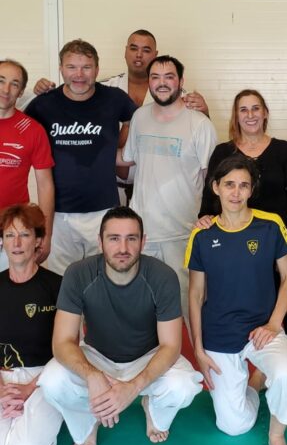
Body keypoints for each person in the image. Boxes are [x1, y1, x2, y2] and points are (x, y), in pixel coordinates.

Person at [38, 207, 203, 445]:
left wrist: (134, 387)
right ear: (100, 242)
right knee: (52, 381)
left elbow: (171, 346)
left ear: (143, 242)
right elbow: (62, 342)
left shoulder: (163, 276)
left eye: (131, 238)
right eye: (114, 238)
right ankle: (88, 418)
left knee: (183, 386)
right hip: (97, 356)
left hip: (147, 356)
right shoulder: (78, 273)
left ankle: (153, 409)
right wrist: (92, 376)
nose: (123, 248)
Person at [186, 155, 287, 445]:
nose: (236, 193)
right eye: (229, 185)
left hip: (262, 328)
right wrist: (198, 349)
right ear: (216, 187)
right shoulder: (202, 234)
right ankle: (254, 384)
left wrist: (274, 324)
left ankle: (277, 437)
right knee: (234, 426)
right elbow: (195, 294)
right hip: (220, 334)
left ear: (251, 190)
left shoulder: (270, 224)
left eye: (243, 185)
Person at [198, 89, 287, 403]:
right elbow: (209, 199)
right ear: (236, 116)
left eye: (255, 109)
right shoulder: (223, 151)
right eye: (243, 109)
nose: (250, 115)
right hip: (235, 247)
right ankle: (249, 364)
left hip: (280, 243)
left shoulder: (283, 150)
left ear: (265, 113)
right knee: (243, 301)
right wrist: (204, 219)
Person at [33, 30, 210, 206]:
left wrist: (204, 112)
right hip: (111, 186)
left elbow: (199, 137)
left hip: (159, 189)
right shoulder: (105, 88)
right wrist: (42, 92)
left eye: (146, 50)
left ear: (155, 54)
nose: (139, 54)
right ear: (125, 51)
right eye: (133, 48)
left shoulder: (177, 96)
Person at [119, 55, 217, 331]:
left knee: (192, 310)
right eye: (155, 77)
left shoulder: (200, 124)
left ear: (181, 81)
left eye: (169, 76)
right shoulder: (140, 117)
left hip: (182, 234)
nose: (161, 83)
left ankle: (202, 357)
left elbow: (213, 181)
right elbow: (127, 159)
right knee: (141, 312)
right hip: (142, 234)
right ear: (149, 82)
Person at [24, 39, 137, 275]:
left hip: (104, 209)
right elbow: (16, 124)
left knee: (104, 278)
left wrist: (121, 151)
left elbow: (140, 121)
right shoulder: (44, 103)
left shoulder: (114, 98)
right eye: (71, 67)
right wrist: (31, 93)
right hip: (59, 213)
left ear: (97, 69)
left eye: (86, 67)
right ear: (60, 68)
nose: (79, 75)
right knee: (63, 281)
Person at [0, 204, 62, 445]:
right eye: (9, 235)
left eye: (24, 235)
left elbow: (68, 349)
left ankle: (31, 426)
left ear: (38, 240)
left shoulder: (57, 286)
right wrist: (2, 389)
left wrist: (28, 389)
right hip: (3, 378)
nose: (16, 243)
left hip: (45, 379)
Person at [0, 59, 54, 271]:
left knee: (10, 290)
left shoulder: (32, 130)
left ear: (21, 92)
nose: (6, 90)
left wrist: (45, 234)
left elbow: (45, 185)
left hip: (12, 232)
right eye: (1, 81)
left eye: (14, 84)